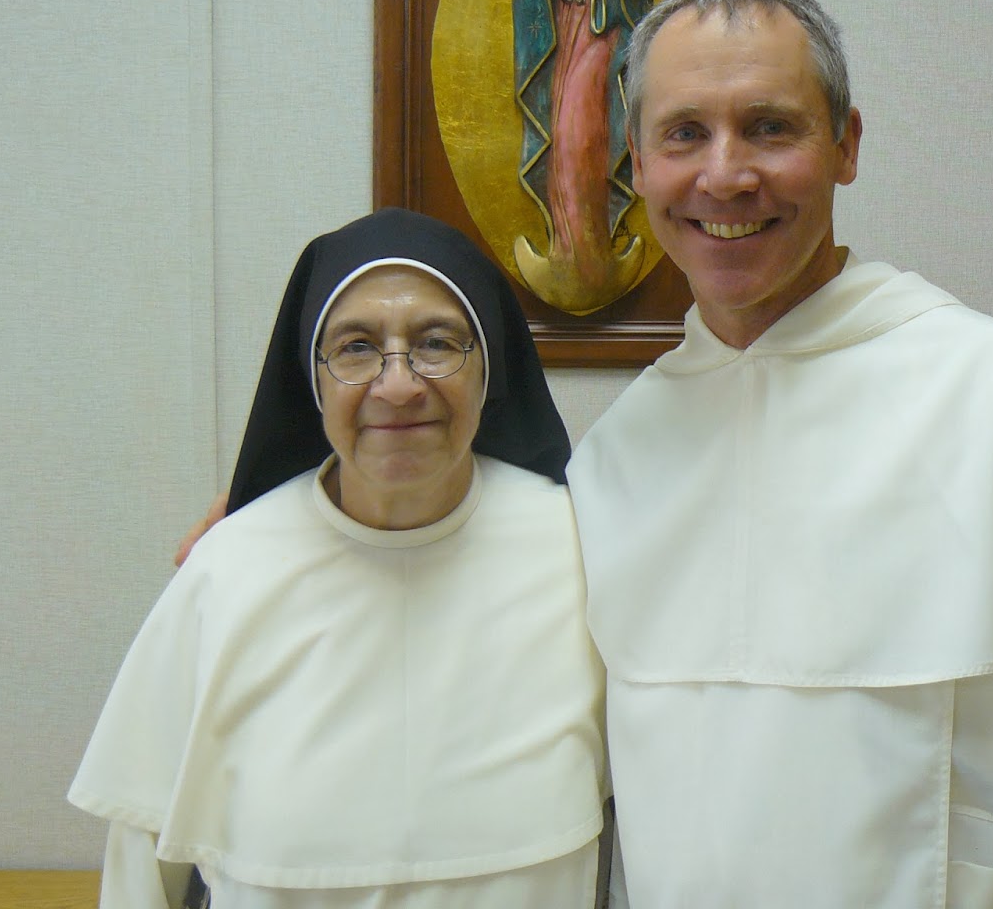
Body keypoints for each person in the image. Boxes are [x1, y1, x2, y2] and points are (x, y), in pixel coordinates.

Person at [566, 0, 993, 907]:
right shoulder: (614, 456)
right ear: (636, 162)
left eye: (770, 127)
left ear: (846, 146)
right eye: (684, 133)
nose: (725, 175)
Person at [74, 208, 608, 908]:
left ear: (489, 370)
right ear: (313, 379)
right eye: (356, 347)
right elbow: (140, 868)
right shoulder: (227, 571)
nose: (398, 385)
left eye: (437, 343)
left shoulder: (583, 550)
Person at [511, 0, 654, 312]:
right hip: (559, 43)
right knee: (562, 139)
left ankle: (594, 250)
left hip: (603, 40)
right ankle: (566, 252)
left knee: (585, 136)